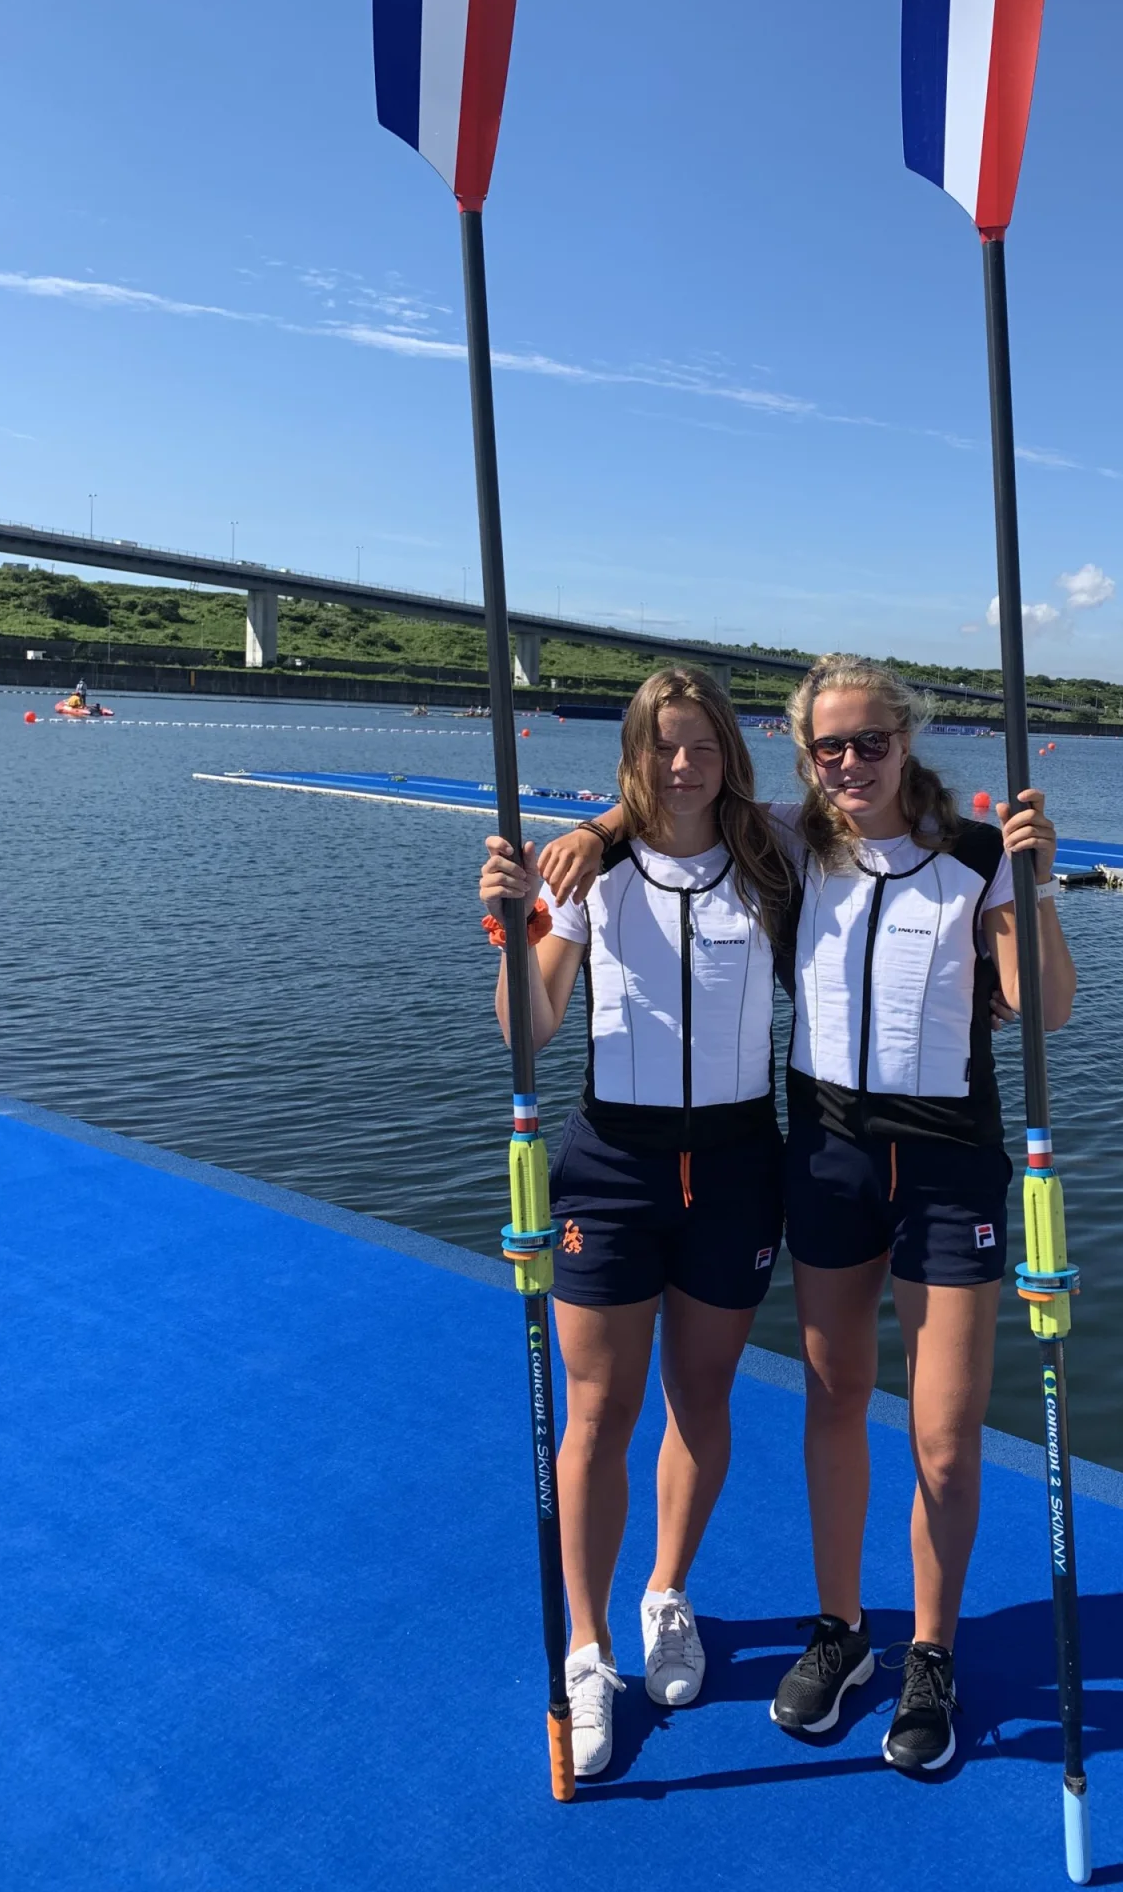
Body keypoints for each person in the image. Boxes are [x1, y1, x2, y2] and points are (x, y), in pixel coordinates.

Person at [540, 654, 1075, 1777]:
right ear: (803, 758)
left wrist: (1036, 886)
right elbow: (673, 794)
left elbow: (1044, 1007)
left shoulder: (978, 854)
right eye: (828, 747)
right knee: (834, 1396)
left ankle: (931, 1653)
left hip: (950, 1167)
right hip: (826, 1158)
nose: (850, 763)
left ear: (907, 738)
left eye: (870, 742)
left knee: (943, 1437)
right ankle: (842, 1629)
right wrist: (590, 833)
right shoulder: (789, 839)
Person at [479, 665, 794, 1780]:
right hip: (612, 1167)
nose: (683, 763)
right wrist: (518, 924)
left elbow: (876, 818)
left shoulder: (772, 850)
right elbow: (529, 1025)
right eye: (662, 745)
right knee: (600, 1410)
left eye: (702, 742)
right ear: (634, 754)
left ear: (730, 752)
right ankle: (589, 1643)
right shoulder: (587, 873)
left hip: (739, 1164)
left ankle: (667, 1593)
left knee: (701, 1395)